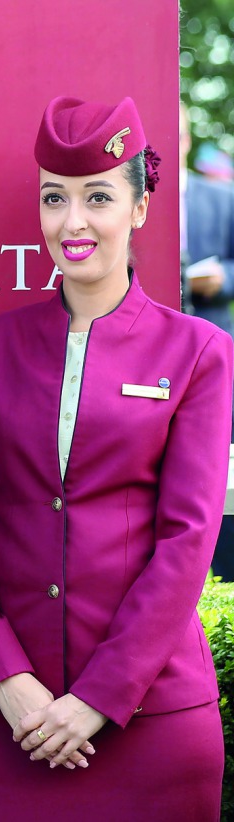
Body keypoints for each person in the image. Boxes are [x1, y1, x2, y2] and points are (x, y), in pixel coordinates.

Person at [0, 96, 232, 821]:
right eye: (53, 199)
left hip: (150, 717)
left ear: (139, 208)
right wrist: (6, 680)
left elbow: (188, 540)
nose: (73, 222)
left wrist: (98, 697)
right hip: (2, 718)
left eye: (98, 197)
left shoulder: (198, 353)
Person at [180, 103, 234, 580]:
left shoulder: (222, 197)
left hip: (216, 343)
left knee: (218, 460)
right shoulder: (128, 200)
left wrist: (225, 279)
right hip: (157, 355)